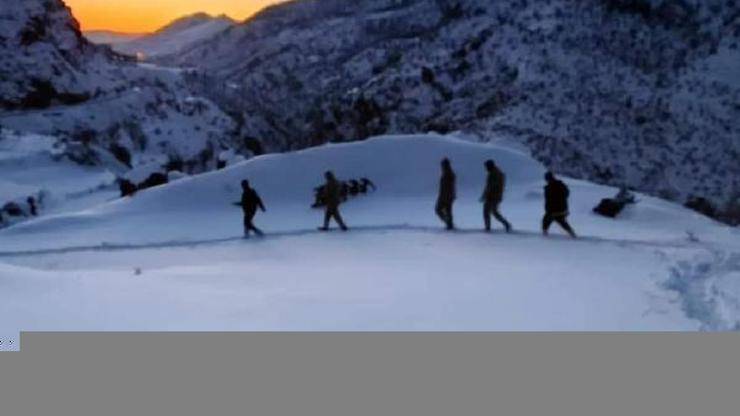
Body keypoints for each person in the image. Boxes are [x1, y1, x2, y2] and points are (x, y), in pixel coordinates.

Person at [543, 172, 577, 238]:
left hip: (553, 210)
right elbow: (567, 194)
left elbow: (549, 200)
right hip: (562, 209)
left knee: (546, 221)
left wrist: (549, 209)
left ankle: (544, 236)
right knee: (561, 221)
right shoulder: (561, 185)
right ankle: (572, 234)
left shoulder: (550, 187)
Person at [481, 160, 512, 233]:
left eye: (486, 166)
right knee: (494, 212)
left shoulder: (493, 174)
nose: (485, 168)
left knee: (486, 212)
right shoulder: (497, 172)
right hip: (495, 196)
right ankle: (506, 224)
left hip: (492, 196)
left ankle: (488, 227)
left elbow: (490, 186)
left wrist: (484, 195)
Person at [436, 158, 456, 230]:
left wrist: (443, 195)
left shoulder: (448, 174)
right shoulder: (448, 173)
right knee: (448, 211)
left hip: (445, 196)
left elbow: (448, 187)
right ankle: (449, 224)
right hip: (447, 196)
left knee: (438, 209)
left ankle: (449, 223)